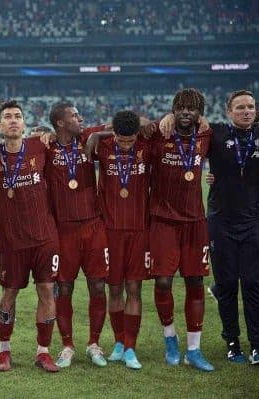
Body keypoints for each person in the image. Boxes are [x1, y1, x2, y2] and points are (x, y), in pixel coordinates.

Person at [0, 100, 60, 373]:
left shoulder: (41, 146)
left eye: (17, 116)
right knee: (9, 294)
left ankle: (44, 352)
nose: (13, 120)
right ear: (0, 126)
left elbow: (75, 135)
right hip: (12, 241)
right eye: (7, 117)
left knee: (47, 291)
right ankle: (4, 350)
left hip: (44, 238)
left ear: (24, 123)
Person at [186, 90, 259, 365]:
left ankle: (258, 343)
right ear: (229, 112)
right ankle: (232, 342)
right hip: (221, 222)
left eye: (251, 107)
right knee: (227, 285)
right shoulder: (215, 133)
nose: (246, 111)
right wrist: (172, 115)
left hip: (254, 221)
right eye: (240, 107)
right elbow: (186, 123)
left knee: (254, 284)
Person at [149, 88, 214, 371]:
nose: (186, 112)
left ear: (199, 112)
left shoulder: (207, 136)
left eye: (192, 108)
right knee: (163, 282)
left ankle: (195, 350)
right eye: (181, 107)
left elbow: (250, 120)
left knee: (195, 282)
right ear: (173, 110)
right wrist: (162, 118)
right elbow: (130, 124)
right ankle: (170, 338)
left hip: (195, 222)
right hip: (162, 221)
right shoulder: (159, 135)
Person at [42, 102, 109, 368]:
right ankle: (67, 345)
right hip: (63, 229)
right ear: (60, 123)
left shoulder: (87, 137)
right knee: (65, 287)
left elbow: (130, 124)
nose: (80, 118)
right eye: (74, 115)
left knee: (98, 285)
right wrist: (40, 134)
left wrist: (99, 134)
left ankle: (94, 343)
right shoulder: (46, 147)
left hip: (93, 226)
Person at [87, 110, 152, 369]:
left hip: (139, 230)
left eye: (130, 140)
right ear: (114, 134)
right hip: (110, 230)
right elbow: (71, 134)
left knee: (134, 288)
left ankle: (131, 348)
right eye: (121, 140)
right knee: (114, 288)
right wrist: (99, 133)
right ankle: (118, 341)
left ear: (137, 134)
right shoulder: (102, 146)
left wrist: (143, 124)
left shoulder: (147, 145)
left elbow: (159, 126)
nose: (126, 145)